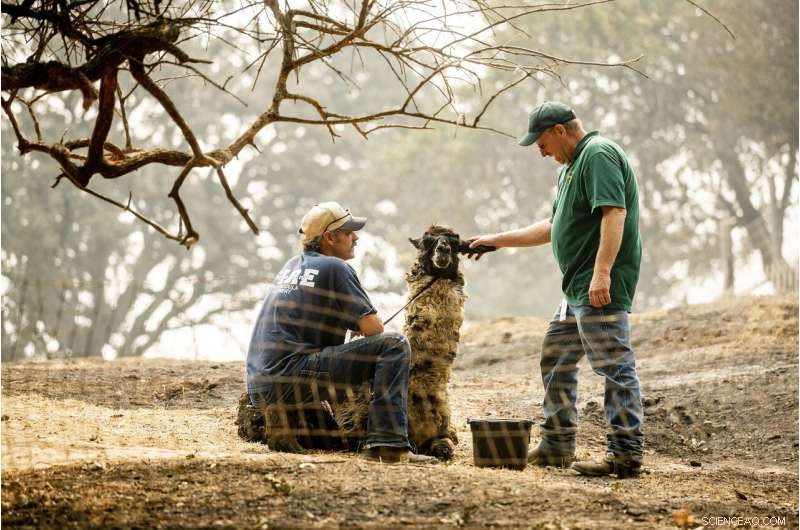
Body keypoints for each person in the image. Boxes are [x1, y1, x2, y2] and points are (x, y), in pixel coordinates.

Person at [469, 101, 644, 477]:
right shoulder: (570, 170)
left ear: (560, 131)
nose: (541, 151)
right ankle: (557, 445)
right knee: (557, 355)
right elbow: (553, 227)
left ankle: (626, 454)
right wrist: (496, 240)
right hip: (576, 288)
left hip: (597, 286)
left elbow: (615, 212)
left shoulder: (597, 155)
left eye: (542, 142)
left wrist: (602, 274)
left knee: (614, 365)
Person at [246, 201, 436, 464]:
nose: (355, 238)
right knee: (393, 344)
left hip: (260, 388)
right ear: (329, 238)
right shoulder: (336, 267)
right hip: (294, 376)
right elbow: (374, 328)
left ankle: (284, 420)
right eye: (348, 232)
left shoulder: (291, 266)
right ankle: (389, 445)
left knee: (334, 436)